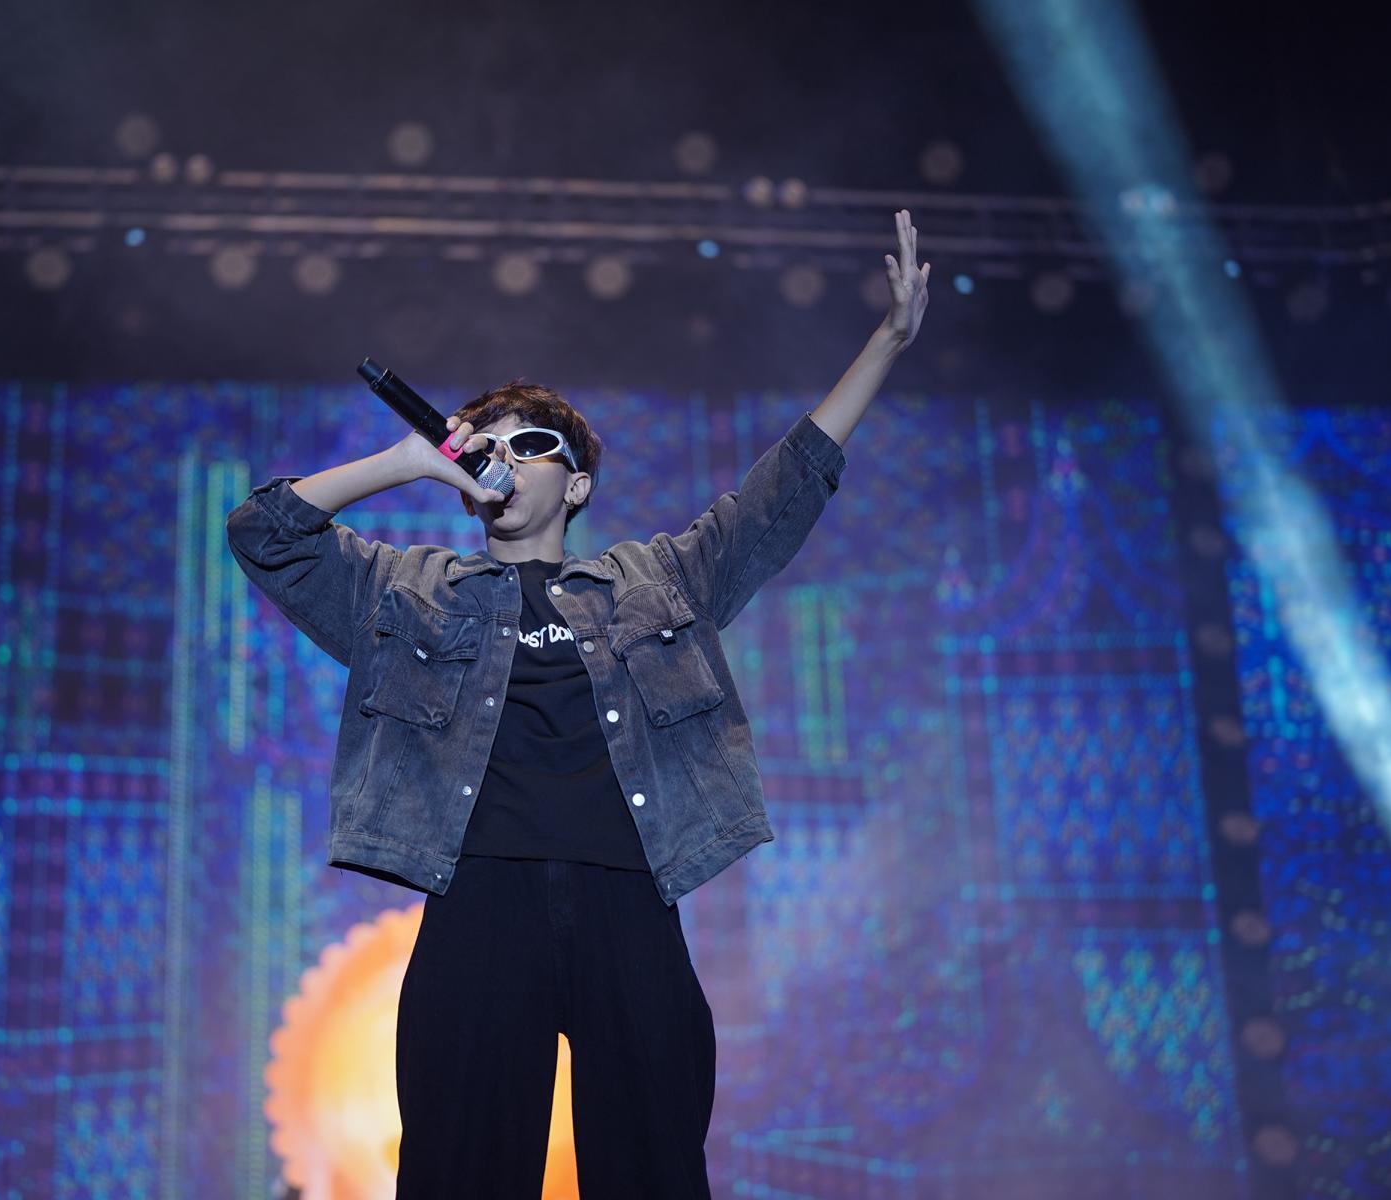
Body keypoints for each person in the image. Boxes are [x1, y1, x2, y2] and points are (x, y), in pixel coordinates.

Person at [226, 212, 930, 1198]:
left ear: (579, 481)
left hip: (628, 900)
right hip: (479, 903)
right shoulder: (408, 590)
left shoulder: (661, 578)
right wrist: (406, 461)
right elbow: (263, 533)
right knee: (459, 1174)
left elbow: (784, 491)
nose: (506, 457)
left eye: (533, 443)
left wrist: (886, 341)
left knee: (652, 1171)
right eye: (488, 445)